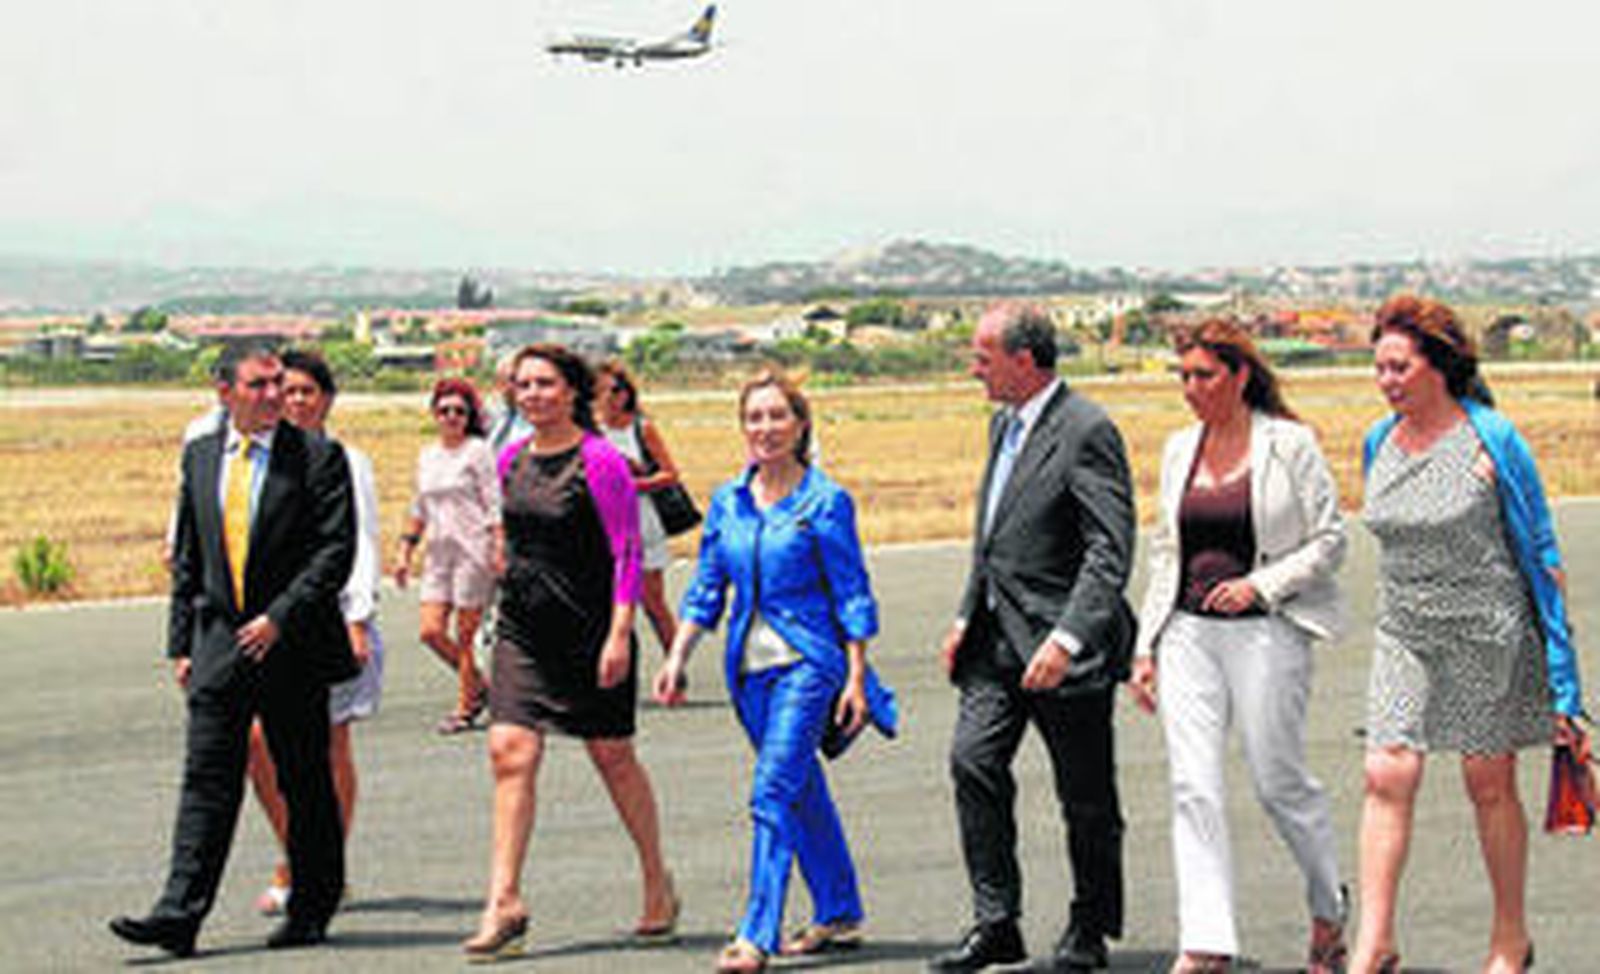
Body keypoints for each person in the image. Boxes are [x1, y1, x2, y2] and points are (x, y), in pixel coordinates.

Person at [1350, 296, 1586, 974]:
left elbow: (1543, 558)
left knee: (1488, 781)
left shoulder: (1492, 439)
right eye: (1379, 367)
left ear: (1439, 366)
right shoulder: (1378, 441)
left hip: (1485, 627)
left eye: (1399, 367)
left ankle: (1510, 937)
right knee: (1384, 773)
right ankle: (1374, 941)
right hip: (1404, 629)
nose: (1386, 380)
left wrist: (1564, 684)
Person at [110, 340, 357, 957]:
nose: (275, 395)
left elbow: (335, 551)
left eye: (279, 383)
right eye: (259, 385)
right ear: (225, 392)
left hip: (291, 643)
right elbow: (189, 560)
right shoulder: (200, 456)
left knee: (304, 780)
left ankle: (311, 906)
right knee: (206, 781)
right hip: (219, 643)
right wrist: (181, 645)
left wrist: (280, 617)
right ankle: (179, 914)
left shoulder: (319, 457)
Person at [653, 369, 898, 974]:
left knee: (770, 792)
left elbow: (852, 593)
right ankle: (839, 910)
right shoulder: (728, 502)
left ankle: (755, 934)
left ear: (800, 424)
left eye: (776, 416)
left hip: (809, 666)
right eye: (754, 417)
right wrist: (677, 656)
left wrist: (856, 676)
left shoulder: (825, 502)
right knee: (800, 789)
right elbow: (708, 587)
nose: (764, 428)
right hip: (749, 673)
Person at [1128, 320, 1347, 974]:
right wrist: (1146, 647)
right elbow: (1166, 553)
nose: (1190, 388)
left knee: (1277, 781)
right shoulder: (1179, 449)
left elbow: (1330, 540)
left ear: (1240, 375)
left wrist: (1260, 585)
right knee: (1192, 785)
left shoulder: (1290, 444)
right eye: (1183, 376)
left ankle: (1328, 905)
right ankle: (1206, 942)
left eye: (1204, 375)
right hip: (1188, 635)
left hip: (1267, 631)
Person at [930, 302, 1137, 974]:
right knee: (972, 763)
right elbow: (993, 537)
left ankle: (1090, 926)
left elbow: (1109, 550)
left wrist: (1069, 637)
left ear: (1024, 359)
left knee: (1086, 796)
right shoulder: (1003, 423)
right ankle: (997, 922)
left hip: (1061, 648)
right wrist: (965, 613)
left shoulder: (1086, 429)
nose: (974, 368)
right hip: (994, 642)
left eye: (982, 357)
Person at [463, 343, 676, 961]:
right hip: (523, 630)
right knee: (510, 751)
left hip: (590, 630)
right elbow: (511, 534)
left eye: (545, 383)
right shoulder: (510, 458)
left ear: (572, 392)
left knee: (612, 756)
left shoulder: (600, 460)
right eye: (523, 385)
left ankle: (657, 879)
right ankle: (504, 901)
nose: (532, 394)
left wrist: (620, 631)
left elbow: (627, 550)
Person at [244, 349, 384, 916]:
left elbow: (360, 542)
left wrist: (357, 617)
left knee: (329, 747)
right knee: (259, 743)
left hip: (332, 621)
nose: (296, 401)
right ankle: (305, 858)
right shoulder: (258, 456)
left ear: (327, 400)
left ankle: (313, 869)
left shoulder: (345, 460)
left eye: (307, 391)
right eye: (287, 391)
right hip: (269, 625)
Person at [395, 377, 503, 734]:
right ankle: (479, 685)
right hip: (438, 553)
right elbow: (419, 507)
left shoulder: (478, 451)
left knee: (466, 633)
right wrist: (404, 550)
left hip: (473, 550)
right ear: (434, 414)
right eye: (444, 410)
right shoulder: (428, 455)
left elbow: (493, 502)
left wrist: (498, 545)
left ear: (469, 416)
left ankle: (465, 707)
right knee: (430, 630)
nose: (452, 417)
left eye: (459, 411)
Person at [595, 359, 683, 657]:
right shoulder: (591, 432)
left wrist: (633, 484)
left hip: (642, 522)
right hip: (604, 524)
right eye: (602, 391)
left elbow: (670, 474)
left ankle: (676, 664)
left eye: (616, 390)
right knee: (610, 606)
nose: (610, 398)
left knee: (653, 603)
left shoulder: (641, 428)